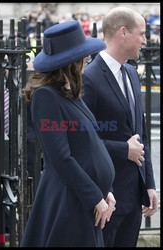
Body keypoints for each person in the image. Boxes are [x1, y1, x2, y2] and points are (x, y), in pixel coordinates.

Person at [21, 20, 116, 247]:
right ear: (72, 62)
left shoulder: (69, 93)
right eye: (83, 56)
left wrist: (106, 190)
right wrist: (95, 196)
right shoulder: (46, 97)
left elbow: (92, 145)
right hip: (69, 202)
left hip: (86, 200)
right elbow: (61, 157)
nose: (86, 60)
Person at [82, 7, 158, 247]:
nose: (145, 41)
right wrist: (122, 149)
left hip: (133, 198)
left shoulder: (133, 73)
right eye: (142, 34)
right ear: (123, 33)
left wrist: (149, 184)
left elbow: (140, 133)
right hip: (106, 196)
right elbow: (82, 139)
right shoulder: (89, 77)